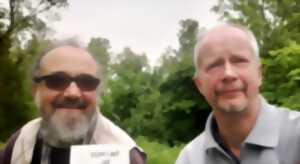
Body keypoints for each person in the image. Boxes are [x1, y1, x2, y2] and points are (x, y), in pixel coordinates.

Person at [0, 39, 146, 164]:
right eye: (57, 80)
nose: (73, 93)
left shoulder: (126, 156)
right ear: (35, 90)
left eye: (86, 82)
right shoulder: (22, 139)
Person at [175, 23, 300, 164]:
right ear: (199, 85)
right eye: (215, 65)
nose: (228, 74)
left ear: (259, 74)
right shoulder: (190, 159)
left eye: (239, 61)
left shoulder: (296, 138)